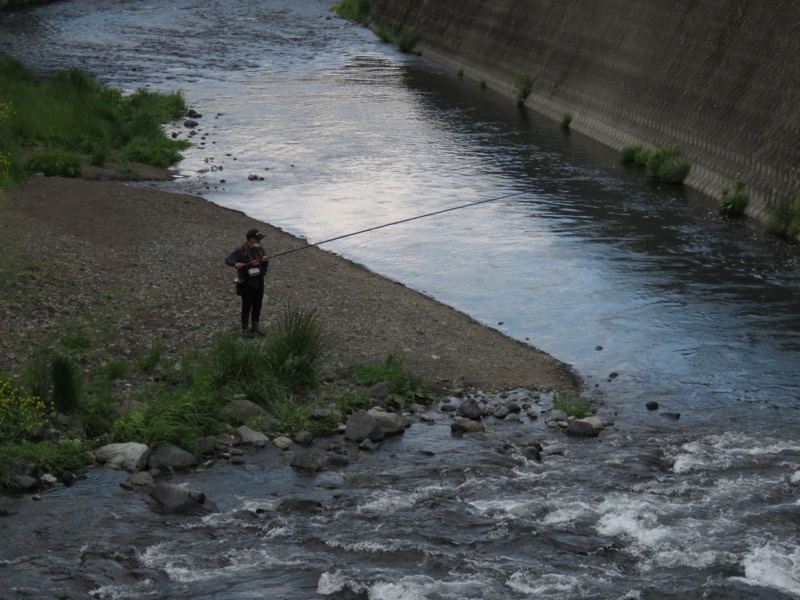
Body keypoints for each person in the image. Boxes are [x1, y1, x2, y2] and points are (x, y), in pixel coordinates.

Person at [226, 228, 270, 336]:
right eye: (257, 240)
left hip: (259, 281)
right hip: (246, 282)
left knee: (257, 306)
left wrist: (265, 261)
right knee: (246, 306)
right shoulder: (241, 250)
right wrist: (235, 264)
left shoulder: (261, 250)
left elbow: (265, 266)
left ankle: (255, 328)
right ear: (251, 240)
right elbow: (228, 260)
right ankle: (245, 330)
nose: (259, 242)